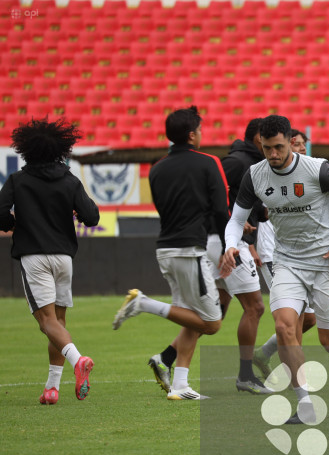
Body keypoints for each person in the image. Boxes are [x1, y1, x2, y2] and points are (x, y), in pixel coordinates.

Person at [221, 115, 329, 424]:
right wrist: (231, 245)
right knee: (284, 327)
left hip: (326, 264)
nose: (273, 154)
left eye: (279, 147)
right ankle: (306, 406)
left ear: (291, 142)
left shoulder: (317, 169)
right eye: (267, 148)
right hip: (287, 262)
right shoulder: (255, 175)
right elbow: (237, 219)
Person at [147, 118, 271, 395]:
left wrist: (258, 215)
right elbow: (214, 197)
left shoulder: (252, 162)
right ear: (258, 138)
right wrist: (233, 230)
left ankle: (166, 358)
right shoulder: (235, 162)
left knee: (214, 309)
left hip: (214, 240)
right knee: (255, 307)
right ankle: (246, 376)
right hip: (224, 240)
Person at [112, 106, 228, 401]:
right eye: (199, 130)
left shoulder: (157, 169)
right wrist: (228, 248)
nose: (201, 134)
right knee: (212, 323)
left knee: (191, 317)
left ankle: (180, 386)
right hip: (190, 251)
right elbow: (220, 210)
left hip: (165, 248)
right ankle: (143, 303)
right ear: (191, 135)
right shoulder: (208, 162)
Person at [0, 117, 98, 405]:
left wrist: (12, 223)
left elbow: (0, 213)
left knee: (46, 322)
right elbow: (91, 216)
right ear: (59, 149)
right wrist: (76, 213)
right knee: (59, 322)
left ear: (26, 150)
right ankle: (51, 388)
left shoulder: (18, 180)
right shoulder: (69, 180)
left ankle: (78, 361)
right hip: (64, 258)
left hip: (34, 257)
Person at [253, 129, 318, 382]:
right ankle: (295, 378)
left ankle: (264, 354)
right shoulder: (266, 174)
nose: (300, 148)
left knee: (308, 319)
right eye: (296, 144)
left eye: (303, 144)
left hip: (302, 255)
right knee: (291, 319)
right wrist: (249, 244)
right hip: (275, 254)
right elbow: (250, 209)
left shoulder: (308, 172)